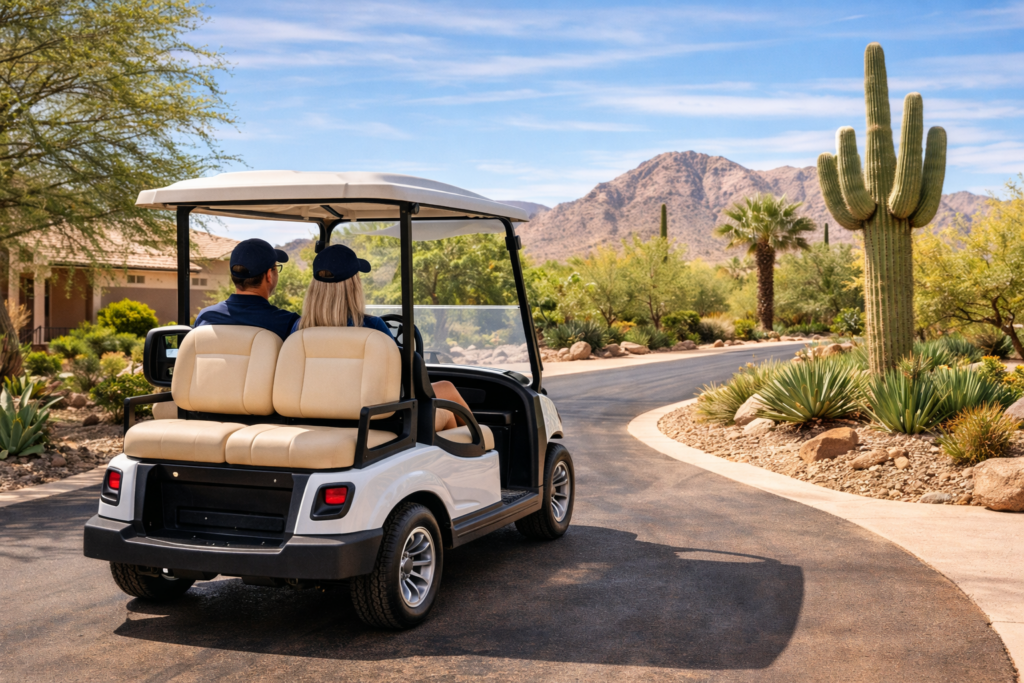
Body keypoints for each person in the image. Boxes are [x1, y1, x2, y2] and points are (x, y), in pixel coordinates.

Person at [295, 244, 470, 432]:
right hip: (375, 416)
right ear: (353, 285)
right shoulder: (372, 327)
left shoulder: (298, 331)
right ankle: (478, 444)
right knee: (447, 400)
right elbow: (400, 377)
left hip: (315, 417)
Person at [194, 238, 299, 340]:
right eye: (276, 268)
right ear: (268, 275)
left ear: (233, 275)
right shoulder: (288, 323)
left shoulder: (206, 317)